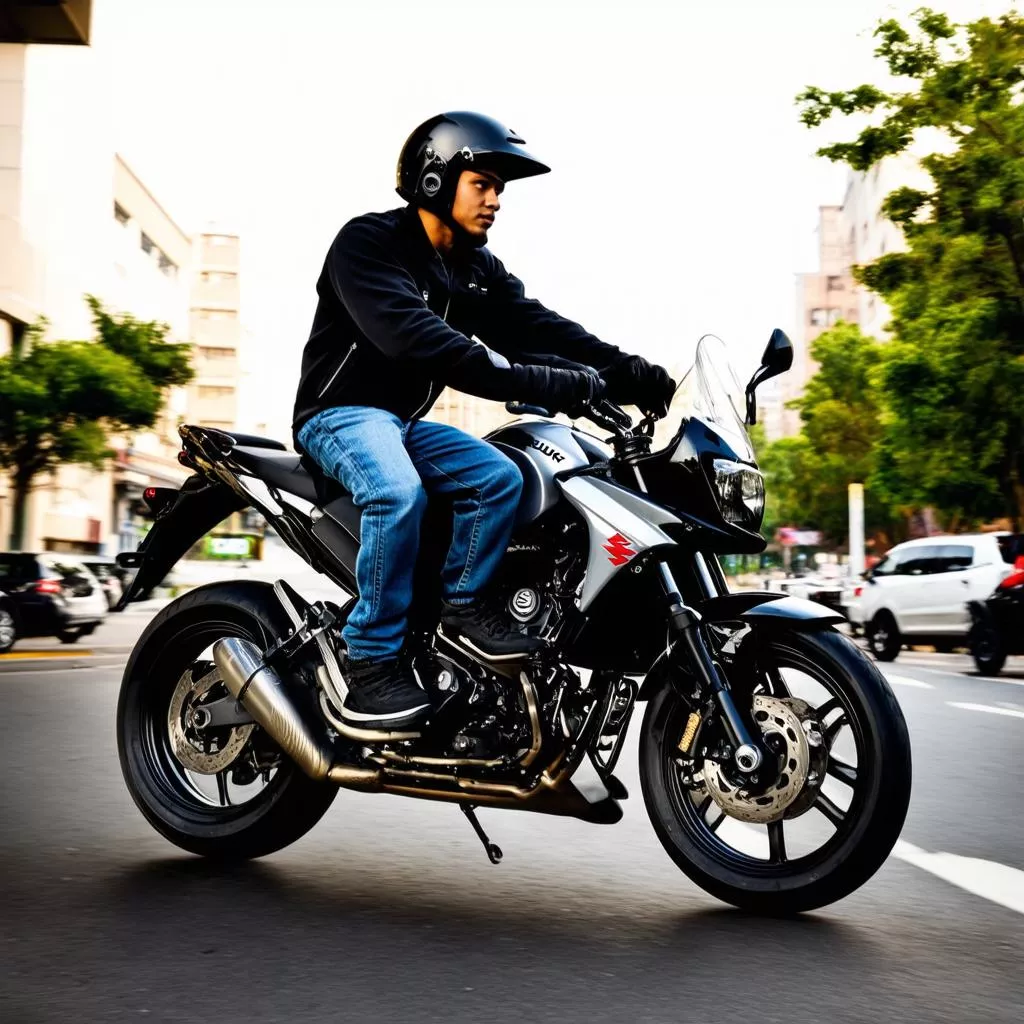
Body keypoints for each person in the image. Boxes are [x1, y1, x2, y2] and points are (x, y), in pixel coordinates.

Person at [292, 111, 675, 728]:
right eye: (484, 183)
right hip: (339, 416)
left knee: (502, 477)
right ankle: (368, 661)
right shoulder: (368, 244)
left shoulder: (472, 267)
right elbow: (423, 343)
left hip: (402, 424)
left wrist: (626, 371)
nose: (496, 200)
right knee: (395, 492)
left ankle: (463, 603)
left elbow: (537, 329)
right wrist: (547, 382)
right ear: (437, 179)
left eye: (500, 188)